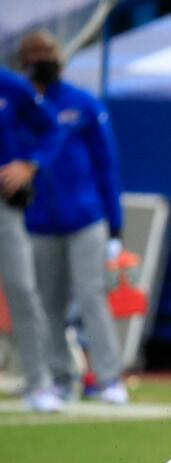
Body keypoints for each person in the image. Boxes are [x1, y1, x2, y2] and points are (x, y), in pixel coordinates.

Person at [19, 30, 128, 406]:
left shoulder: (82, 103)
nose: (44, 58)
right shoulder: (18, 106)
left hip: (85, 217)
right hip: (38, 221)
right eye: (36, 52)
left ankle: (108, 376)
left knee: (91, 295)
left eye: (48, 50)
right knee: (47, 303)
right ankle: (60, 376)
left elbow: (105, 164)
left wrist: (115, 222)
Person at [0, 63, 63, 411]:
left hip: (4, 206)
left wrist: (31, 163)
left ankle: (40, 383)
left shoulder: (10, 86)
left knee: (22, 288)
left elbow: (51, 126)